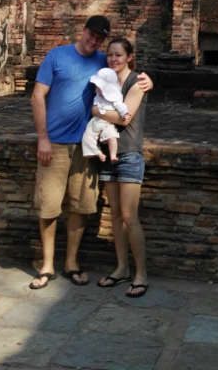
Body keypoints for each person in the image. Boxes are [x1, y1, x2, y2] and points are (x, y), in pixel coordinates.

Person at [29, 15, 150, 291]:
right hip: (56, 143)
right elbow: (37, 96)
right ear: (83, 31)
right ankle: (47, 265)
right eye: (92, 34)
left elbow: (126, 82)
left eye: (100, 38)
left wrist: (147, 81)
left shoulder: (102, 62)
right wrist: (43, 138)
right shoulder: (57, 56)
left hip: (87, 147)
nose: (94, 40)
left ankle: (71, 263)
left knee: (80, 206)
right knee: (49, 206)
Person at [95, 37, 149, 299]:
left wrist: (96, 111)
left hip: (129, 154)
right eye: (110, 55)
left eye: (118, 55)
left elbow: (124, 117)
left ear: (129, 57)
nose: (113, 59)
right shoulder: (105, 81)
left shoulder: (137, 81)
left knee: (129, 216)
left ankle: (141, 274)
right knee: (114, 215)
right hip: (107, 153)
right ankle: (121, 267)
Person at [81, 67, 129, 163]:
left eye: (99, 88)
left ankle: (113, 155)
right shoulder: (97, 96)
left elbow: (120, 105)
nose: (96, 90)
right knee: (87, 137)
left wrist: (125, 113)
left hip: (108, 122)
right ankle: (97, 152)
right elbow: (93, 107)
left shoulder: (115, 97)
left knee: (112, 137)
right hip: (96, 121)